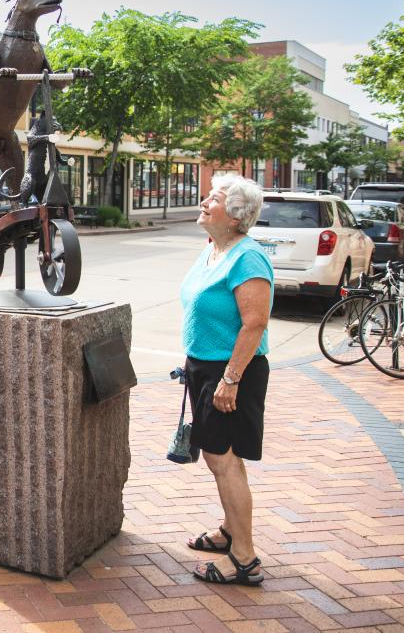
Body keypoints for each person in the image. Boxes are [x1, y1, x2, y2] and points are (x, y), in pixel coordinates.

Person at [180, 174, 273, 587]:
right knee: (222, 458)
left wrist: (230, 380)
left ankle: (245, 558)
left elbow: (255, 323)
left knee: (224, 461)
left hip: (233, 372)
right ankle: (231, 531)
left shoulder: (248, 258)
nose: (204, 202)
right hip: (206, 367)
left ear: (235, 217)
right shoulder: (215, 249)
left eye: (213, 199)